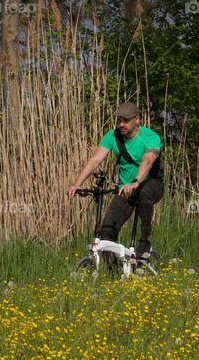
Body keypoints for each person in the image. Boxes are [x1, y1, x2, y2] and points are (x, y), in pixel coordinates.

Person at [67, 102, 165, 257]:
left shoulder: (150, 137)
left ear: (137, 120)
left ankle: (145, 239)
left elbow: (147, 161)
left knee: (144, 191)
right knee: (106, 233)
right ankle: (114, 275)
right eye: (119, 120)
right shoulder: (112, 136)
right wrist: (77, 184)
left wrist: (135, 182)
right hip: (124, 190)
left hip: (151, 184)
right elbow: (95, 160)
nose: (121, 124)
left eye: (125, 121)